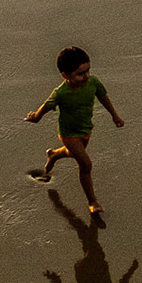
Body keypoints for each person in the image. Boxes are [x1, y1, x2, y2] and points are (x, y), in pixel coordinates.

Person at [24, 45, 123, 215]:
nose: (86, 76)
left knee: (73, 154)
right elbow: (46, 106)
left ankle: (54, 155)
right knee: (85, 164)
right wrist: (36, 117)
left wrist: (115, 115)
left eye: (88, 70)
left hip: (85, 129)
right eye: (80, 73)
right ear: (65, 75)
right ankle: (92, 201)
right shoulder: (61, 93)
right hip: (68, 133)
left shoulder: (93, 83)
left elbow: (103, 97)